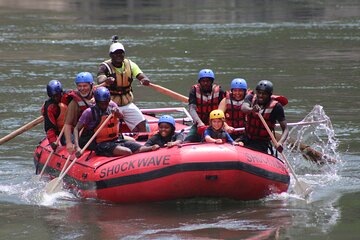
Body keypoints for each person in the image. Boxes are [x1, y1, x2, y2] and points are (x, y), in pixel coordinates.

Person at [74, 87, 156, 157]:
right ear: (96, 101)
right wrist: (77, 147)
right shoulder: (89, 112)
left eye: (105, 103)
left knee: (140, 147)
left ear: (109, 100)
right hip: (100, 144)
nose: (103, 106)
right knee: (127, 152)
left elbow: (121, 116)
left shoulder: (112, 106)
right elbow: (76, 129)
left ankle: (153, 149)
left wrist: (117, 112)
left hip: (115, 140)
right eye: (100, 103)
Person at [97, 35, 151, 132]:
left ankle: (142, 140)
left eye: (121, 53)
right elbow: (100, 79)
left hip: (127, 104)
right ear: (111, 55)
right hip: (110, 105)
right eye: (115, 53)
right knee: (109, 128)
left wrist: (145, 80)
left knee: (143, 126)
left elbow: (141, 76)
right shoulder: (104, 66)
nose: (118, 55)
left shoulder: (130, 65)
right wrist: (106, 80)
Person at [241, 80, 289, 154]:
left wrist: (280, 142)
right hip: (246, 138)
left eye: (264, 94)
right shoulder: (250, 97)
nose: (261, 96)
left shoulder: (276, 107)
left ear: (269, 94)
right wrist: (252, 110)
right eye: (259, 93)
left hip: (261, 143)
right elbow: (243, 108)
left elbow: (285, 129)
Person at [184, 69, 226, 142]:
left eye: (208, 81)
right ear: (199, 82)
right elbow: (192, 109)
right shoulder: (194, 91)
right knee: (187, 140)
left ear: (212, 82)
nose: (205, 83)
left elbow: (223, 109)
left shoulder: (219, 91)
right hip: (200, 123)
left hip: (216, 123)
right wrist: (199, 123)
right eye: (203, 81)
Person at [63, 72, 96, 154]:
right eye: (79, 86)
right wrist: (69, 143)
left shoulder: (98, 97)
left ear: (91, 86)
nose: (82, 89)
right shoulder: (74, 103)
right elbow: (67, 124)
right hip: (80, 134)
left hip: (95, 132)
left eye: (85, 86)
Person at [41, 80, 68, 151]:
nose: (56, 98)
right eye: (54, 96)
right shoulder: (50, 107)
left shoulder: (68, 97)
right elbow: (49, 127)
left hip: (74, 128)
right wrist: (53, 142)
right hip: (62, 132)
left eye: (58, 95)